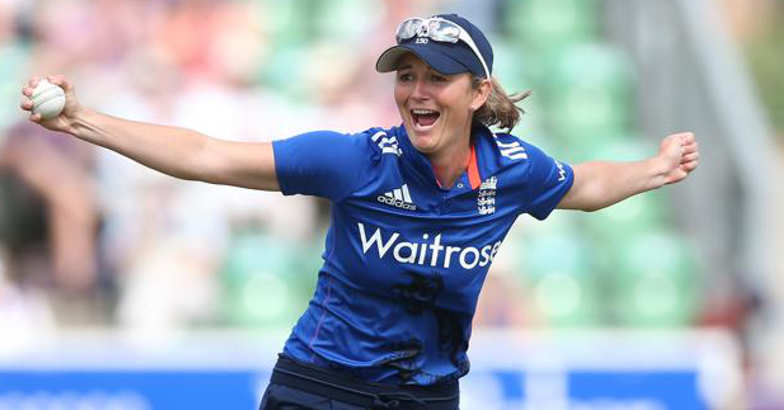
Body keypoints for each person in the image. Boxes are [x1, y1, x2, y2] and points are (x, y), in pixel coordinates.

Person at [20, 13, 699, 410]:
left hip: (426, 397)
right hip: (319, 389)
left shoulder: (512, 168)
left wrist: (652, 168)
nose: (416, 91)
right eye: (406, 76)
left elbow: (583, 183)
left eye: (437, 77)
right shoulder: (355, 159)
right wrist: (83, 121)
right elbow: (208, 155)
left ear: (477, 92)